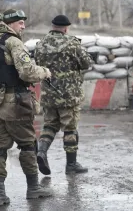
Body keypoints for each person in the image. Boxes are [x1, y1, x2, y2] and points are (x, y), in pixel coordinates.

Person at [0, 9, 53, 207]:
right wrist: (45, 72)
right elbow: (27, 72)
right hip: (16, 102)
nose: (23, 26)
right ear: (9, 24)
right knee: (27, 145)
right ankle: (33, 189)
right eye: (19, 23)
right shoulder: (14, 42)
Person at [34, 14, 93, 175]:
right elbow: (86, 63)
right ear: (66, 28)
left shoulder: (41, 44)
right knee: (70, 129)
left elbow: (36, 65)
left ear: (53, 27)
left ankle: (41, 151)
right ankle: (71, 165)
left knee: (50, 126)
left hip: (48, 94)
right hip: (69, 96)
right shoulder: (72, 43)